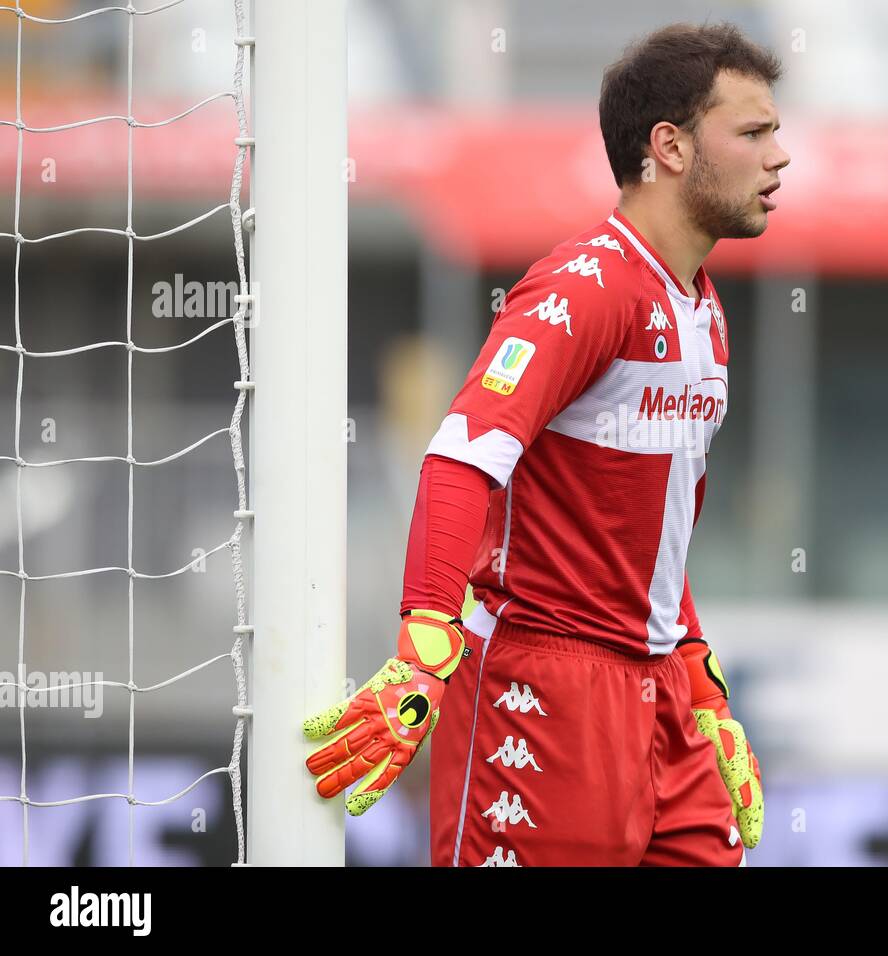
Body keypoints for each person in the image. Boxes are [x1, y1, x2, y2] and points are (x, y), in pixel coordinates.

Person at [303, 21, 791, 866]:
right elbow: (461, 458)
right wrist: (423, 646)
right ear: (669, 147)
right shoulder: (584, 287)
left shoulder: (706, 312)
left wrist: (701, 679)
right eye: (753, 132)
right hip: (545, 683)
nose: (780, 155)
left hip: (664, 690)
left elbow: (656, 544)